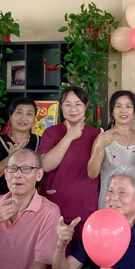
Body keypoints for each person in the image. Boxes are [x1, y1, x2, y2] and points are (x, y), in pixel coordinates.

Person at [0, 149, 60, 269]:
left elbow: (40, 266)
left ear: (39, 175)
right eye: (12, 168)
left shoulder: (49, 212)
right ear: (6, 174)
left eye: (26, 169)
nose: (17, 175)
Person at [38, 87, 100, 249]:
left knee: (81, 259)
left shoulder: (96, 135)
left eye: (78, 104)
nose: (73, 109)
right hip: (56, 208)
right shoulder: (52, 133)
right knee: (54, 257)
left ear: (86, 106)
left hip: (86, 208)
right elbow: (45, 166)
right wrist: (69, 136)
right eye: (67, 104)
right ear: (61, 107)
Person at [88, 90, 135, 217]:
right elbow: (92, 173)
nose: (123, 110)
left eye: (128, 106)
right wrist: (99, 147)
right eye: (118, 106)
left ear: (134, 111)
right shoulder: (103, 138)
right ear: (112, 111)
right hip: (111, 201)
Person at [0, 97, 41, 198]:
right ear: (10, 115)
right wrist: (10, 157)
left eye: (29, 114)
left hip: (32, 203)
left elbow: (46, 174)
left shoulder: (41, 141)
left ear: (34, 118)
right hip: (1, 202)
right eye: (19, 112)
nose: (23, 118)